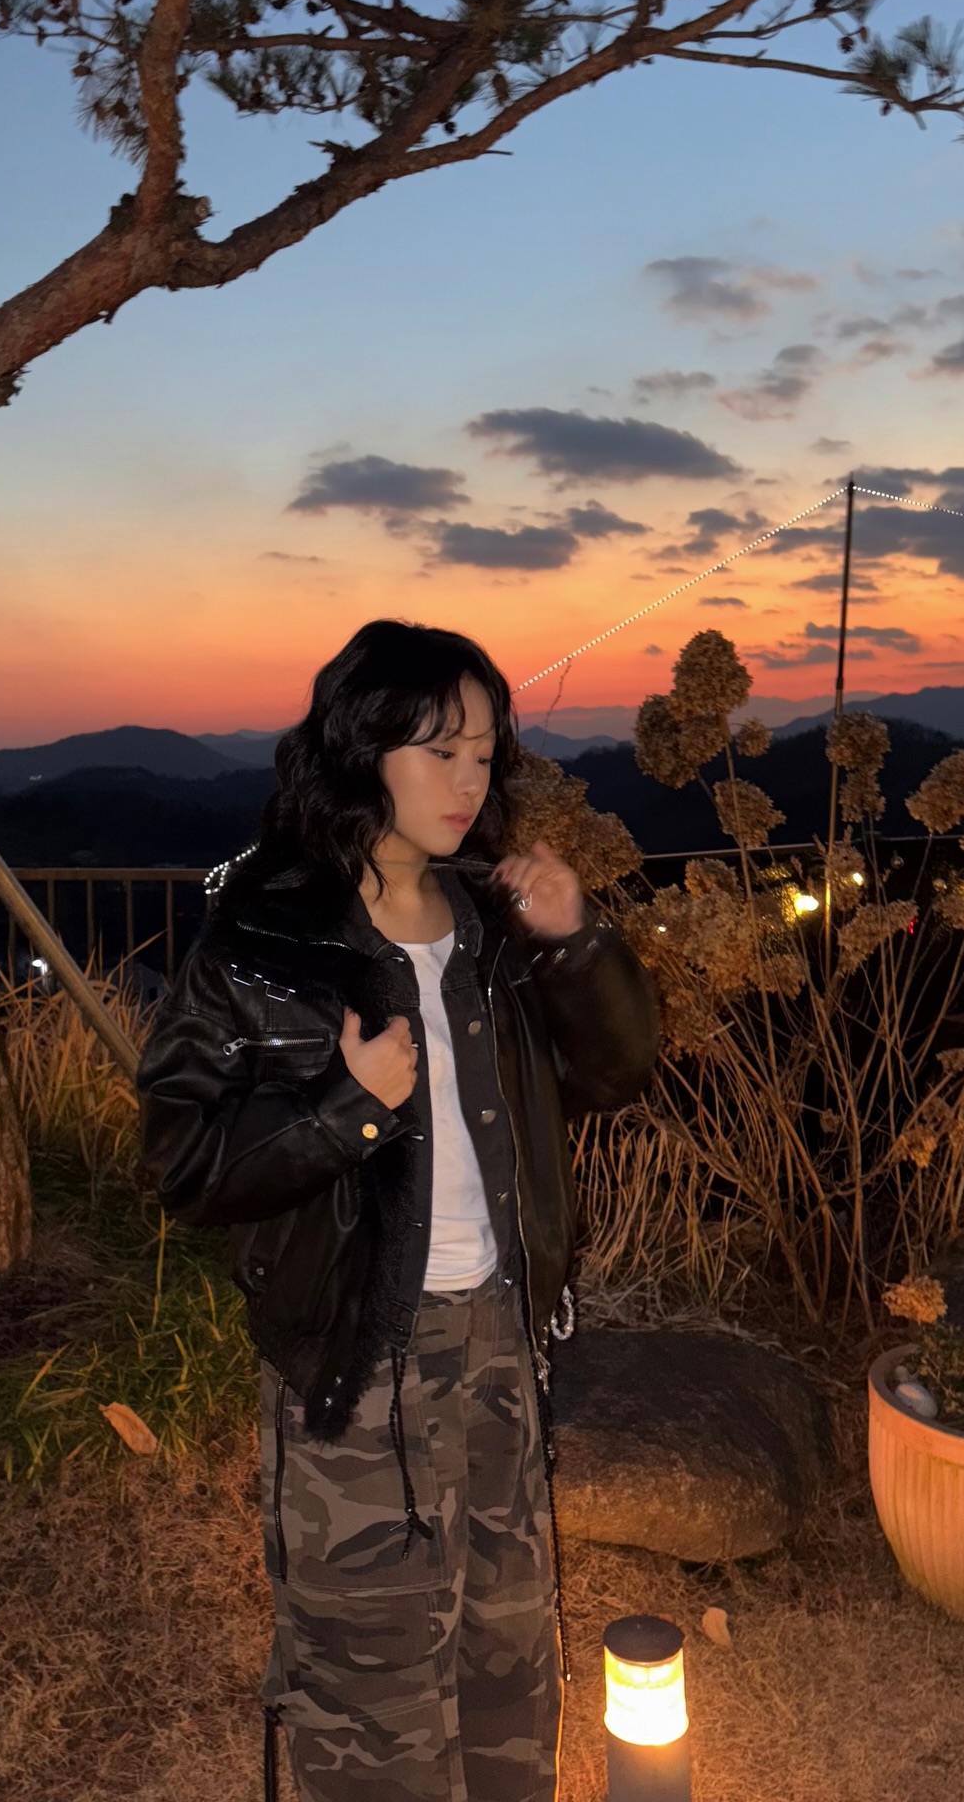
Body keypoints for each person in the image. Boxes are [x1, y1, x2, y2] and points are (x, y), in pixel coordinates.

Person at [136, 620, 658, 1802]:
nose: (470, 782)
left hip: (499, 1342)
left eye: (482, 754)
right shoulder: (268, 937)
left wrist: (575, 943)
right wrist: (346, 1110)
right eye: (440, 752)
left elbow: (617, 1071)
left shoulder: (493, 925)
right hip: (354, 1358)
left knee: (507, 1651)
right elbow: (186, 1163)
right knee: (369, 1677)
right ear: (363, 751)